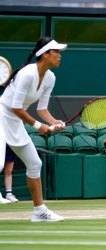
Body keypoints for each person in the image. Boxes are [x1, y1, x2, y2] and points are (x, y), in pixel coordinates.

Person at [0, 37, 67, 221]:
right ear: (45, 54)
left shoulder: (50, 78)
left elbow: (41, 109)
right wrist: (38, 126)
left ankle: (39, 212)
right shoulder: (27, 73)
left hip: (15, 121)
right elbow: (15, 106)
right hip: (1, 114)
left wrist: (54, 122)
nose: (60, 56)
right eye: (56, 52)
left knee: (35, 164)